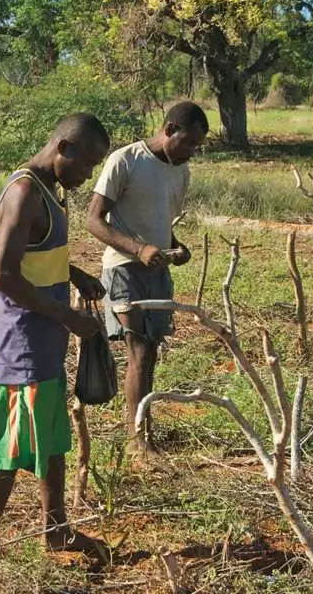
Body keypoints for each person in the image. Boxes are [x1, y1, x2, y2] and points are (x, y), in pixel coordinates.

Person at [0, 113, 109, 554]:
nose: (88, 174)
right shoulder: (24, 194)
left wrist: (72, 274)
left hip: (43, 342)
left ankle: (56, 530)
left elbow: (34, 257)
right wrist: (65, 315)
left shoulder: (48, 191)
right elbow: (4, 275)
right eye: (86, 164)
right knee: (9, 450)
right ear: (64, 148)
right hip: (22, 346)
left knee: (52, 440)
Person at [86, 101, 209, 457]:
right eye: (188, 143)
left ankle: (141, 427)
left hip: (156, 271)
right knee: (139, 351)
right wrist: (138, 250)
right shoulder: (126, 160)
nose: (191, 153)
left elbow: (161, 226)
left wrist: (176, 248)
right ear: (169, 129)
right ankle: (138, 441)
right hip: (123, 269)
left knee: (151, 352)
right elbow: (94, 221)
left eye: (197, 148)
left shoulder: (180, 171)